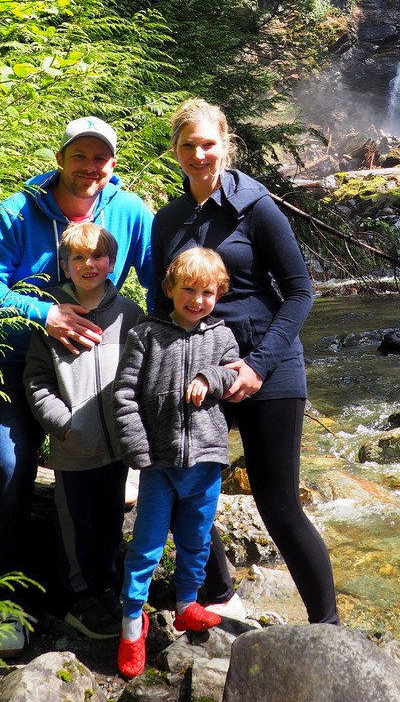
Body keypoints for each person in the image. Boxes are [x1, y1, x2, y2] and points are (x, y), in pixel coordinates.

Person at [0, 117, 153, 656]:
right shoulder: (18, 211)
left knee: (113, 471)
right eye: (81, 156)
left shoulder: (129, 211)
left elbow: (161, 282)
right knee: (9, 464)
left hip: (95, 376)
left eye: (101, 158)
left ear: (112, 163)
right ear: (62, 157)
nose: (91, 168)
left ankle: (101, 587)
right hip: (13, 362)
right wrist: (44, 313)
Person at [150, 98, 339, 626]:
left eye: (208, 143)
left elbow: (300, 292)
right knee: (176, 481)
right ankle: (219, 593)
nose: (199, 154)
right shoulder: (167, 221)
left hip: (268, 363)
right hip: (198, 370)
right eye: (188, 145)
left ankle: (327, 628)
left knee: (278, 504)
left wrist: (256, 365)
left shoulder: (256, 206)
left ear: (225, 145)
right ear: (176, 151)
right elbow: (158, 303)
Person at [112, 247, 240, 680]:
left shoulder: (222, 335)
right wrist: (138, 451)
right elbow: (124, 395)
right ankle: (133, 623)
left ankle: (187, 605)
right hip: (158, 463)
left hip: (204, 461)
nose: (197, 300)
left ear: (218, 293)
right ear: (170, 289)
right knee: (145, 546)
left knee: (196, 540)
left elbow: (232, 374)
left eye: (207, 292)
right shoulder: (147, 333)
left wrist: (211, 377)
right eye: (188, 289)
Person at [24, 223, 143, 640]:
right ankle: (78, 598)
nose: (88, 265)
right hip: (74, 447)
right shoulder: (52, 315)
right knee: (75, 524)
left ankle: (107, 586)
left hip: (117, 450)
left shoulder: (129, 313)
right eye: (78, 258)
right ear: (66, 266)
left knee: (111, 520)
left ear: (112, 263)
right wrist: (64, 423)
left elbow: (144, 374)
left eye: (97, 256)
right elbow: (37, 381)